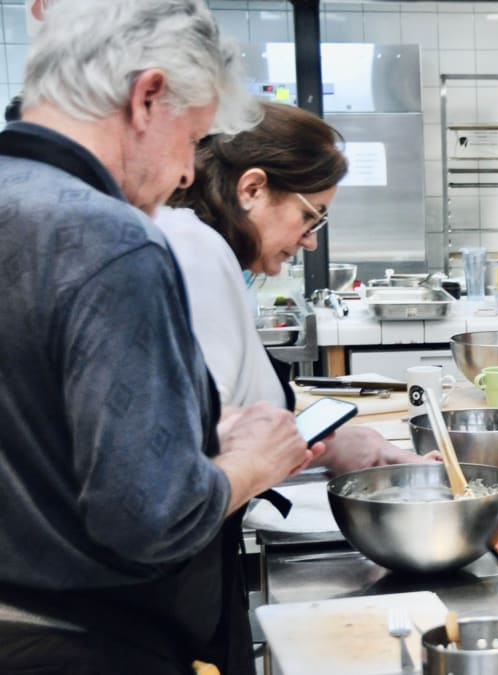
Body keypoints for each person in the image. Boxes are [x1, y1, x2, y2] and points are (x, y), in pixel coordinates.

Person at [0, 1, 319, 673]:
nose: (183, 175)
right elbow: (148, 517)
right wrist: (250, 463)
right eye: (191, 139)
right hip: (87, 648)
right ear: (147, 97)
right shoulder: (113, 242)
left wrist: (194, 439)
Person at [158, 101, 434, 476]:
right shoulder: (197, 252)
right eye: (309, 216)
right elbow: (199, 448)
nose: (310, 242)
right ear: (252, 189)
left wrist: (354, 446)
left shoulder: (203, 248)